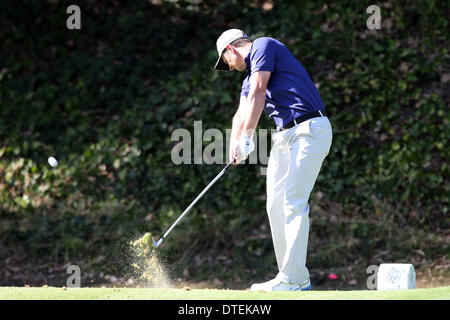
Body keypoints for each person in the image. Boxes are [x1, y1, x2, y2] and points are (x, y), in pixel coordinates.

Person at [214, 29, 333, 291]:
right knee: (275, 205)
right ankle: (290, 276)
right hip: (285, 136)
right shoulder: (248, 76)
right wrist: (236, 144)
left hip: (309, 129)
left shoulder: (263, 46)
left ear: (231, 50)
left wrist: (248, 136)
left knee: (292, 201)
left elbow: (259, 89)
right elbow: (241, 112)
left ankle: (294, 279)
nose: (230, 68)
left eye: (226, 62)